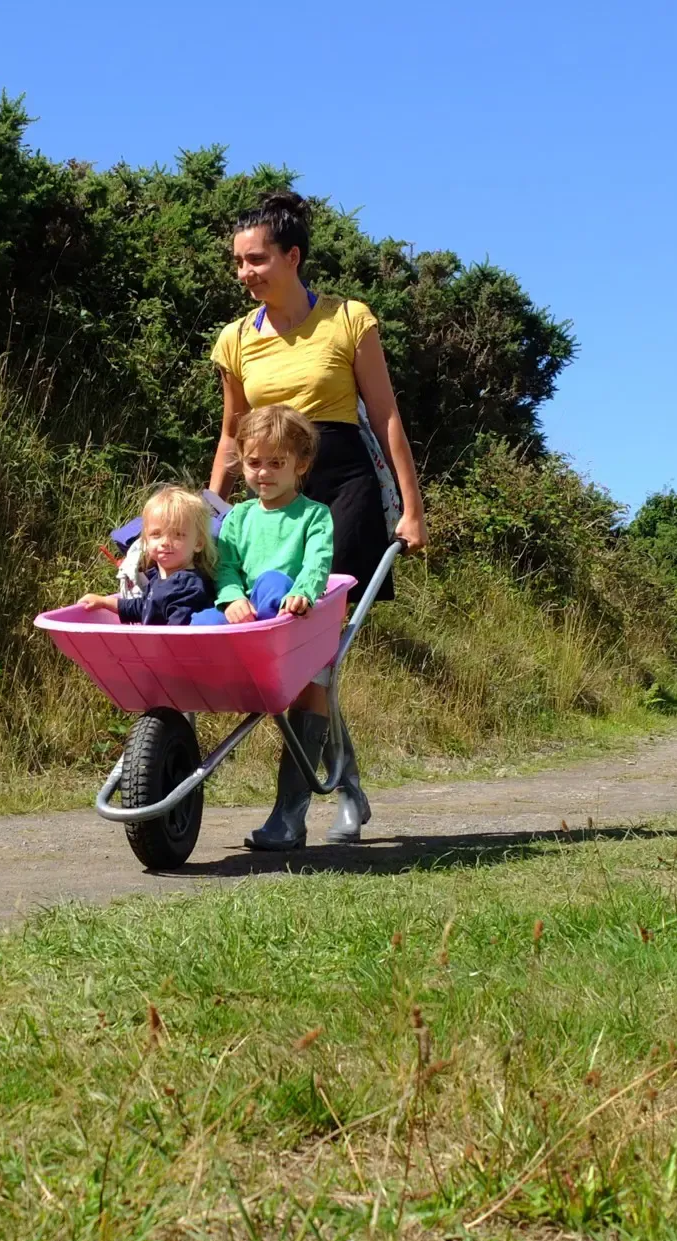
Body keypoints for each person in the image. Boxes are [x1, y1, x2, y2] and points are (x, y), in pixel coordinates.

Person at [209, 189, 429, 848]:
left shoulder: (348, 320)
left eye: (258, 260)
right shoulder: (236, 340)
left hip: (342, 495)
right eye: (239, 263)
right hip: (269, 502)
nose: (246, 273)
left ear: (292, 256)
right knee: (302, 661)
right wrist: (211, 509)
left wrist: (412, 508)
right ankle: (350, 790)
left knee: (313, 657)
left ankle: (288, 815)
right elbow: (230, 433)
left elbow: (385, 414)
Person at [191, 404, 333, 630]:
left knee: (272, 581)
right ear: (242, 461)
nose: (264, 472)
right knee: (200, 620)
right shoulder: (238, 515)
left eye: (276, 463)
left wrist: (302, 592)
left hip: (288, 611)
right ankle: (229, 659)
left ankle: (263, 644)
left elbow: (317, 564)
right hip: (248, 608)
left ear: (301, 464)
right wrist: (232, 598)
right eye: (254, 462)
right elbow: (225, 566)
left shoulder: (314, 515)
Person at [75, 485, 218, 626]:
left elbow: (177, 636)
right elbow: (142, 606)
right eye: (156, 534)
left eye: (178, 535)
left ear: (198, 543)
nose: (165, 542)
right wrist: (104, 602)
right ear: (146, 540)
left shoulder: (188, 587)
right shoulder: (161, 578)